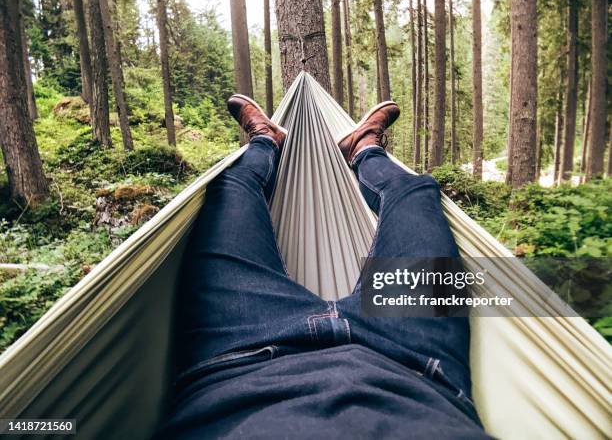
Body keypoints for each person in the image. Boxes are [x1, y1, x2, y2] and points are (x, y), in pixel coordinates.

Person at [155, 95, 492, 439]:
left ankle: (265, 142)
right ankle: (365, 149)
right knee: (417, 191)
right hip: (413, 362)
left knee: (230, 187)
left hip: (237, 361)